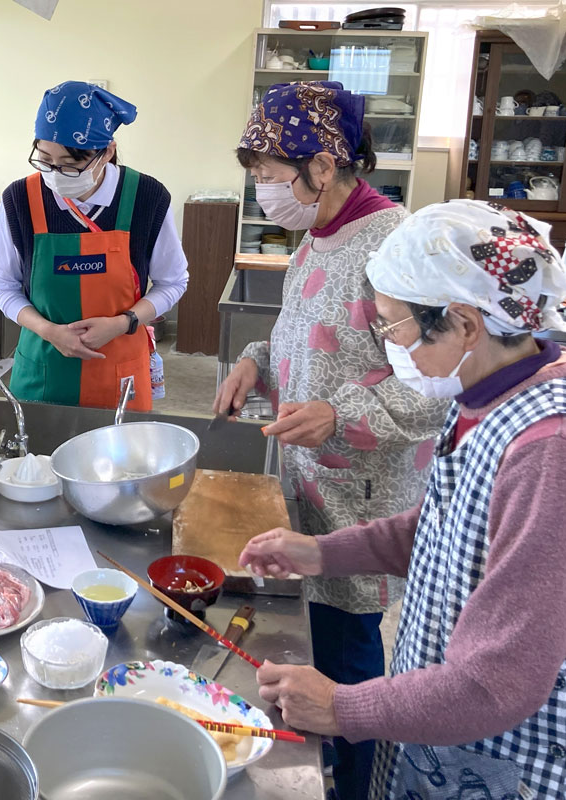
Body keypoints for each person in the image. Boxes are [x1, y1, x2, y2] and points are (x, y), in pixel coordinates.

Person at [241, 200, 566, 799]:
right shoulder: (495, 390)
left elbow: (494, 687)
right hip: (455, 732)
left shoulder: (557, 455)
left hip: (529, 761)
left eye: (392, 327)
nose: (388, 344)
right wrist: (321, 553)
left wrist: (340, 707)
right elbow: (449, 524)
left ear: (466, 324)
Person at [213, 81, 447, 799]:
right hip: (307, 480)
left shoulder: (394, 247)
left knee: (348, 655)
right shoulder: (320, 233)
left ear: (326, 163)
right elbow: (302, 329)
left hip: (363, 497)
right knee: (310, 633)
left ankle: (355, 782)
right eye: (256, 175)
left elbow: (430, 384)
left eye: (274, 173)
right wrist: (257, 356)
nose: (265, 190)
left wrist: (341, 414)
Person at [0, 81, 188, 412]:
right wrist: (48, 330)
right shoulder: (20, 199)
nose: (55, 174)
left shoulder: (146, 197)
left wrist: (122, 323)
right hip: (42, 373)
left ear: (106, 151)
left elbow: (173, 281)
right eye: (44, 159)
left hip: (121, 377)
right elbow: (2, 285)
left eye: (69, 164)